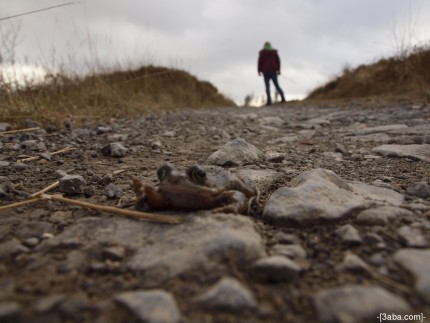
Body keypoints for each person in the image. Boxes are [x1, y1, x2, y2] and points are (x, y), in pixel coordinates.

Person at [258, 41, 286, 106]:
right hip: (273, 71)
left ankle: (269, 101)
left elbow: (260, 63)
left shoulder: (262, 53)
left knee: (267, 86)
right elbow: (278, 62)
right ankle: (283, 98)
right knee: (277, 85)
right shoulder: (274, 53)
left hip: (265, 71)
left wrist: (259, 71)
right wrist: (279, 70)